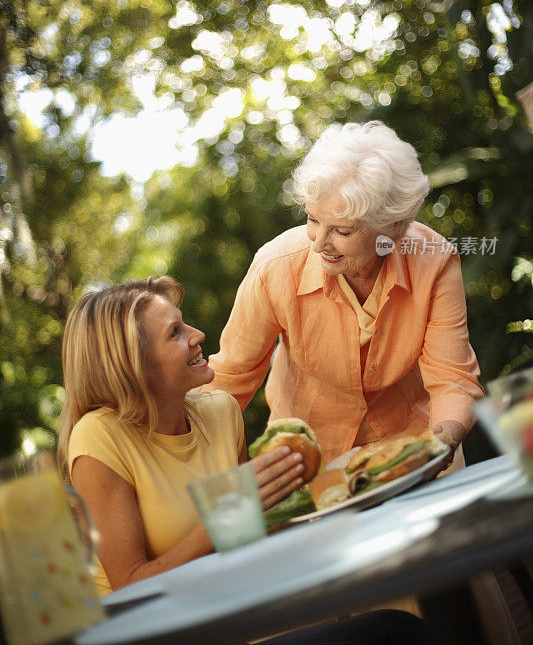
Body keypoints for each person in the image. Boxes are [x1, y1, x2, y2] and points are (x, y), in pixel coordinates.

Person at [57, 276, 429, 645]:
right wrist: (232, 512)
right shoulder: (98, 436)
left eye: (184, 322)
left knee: (399, 624)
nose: (198, 334)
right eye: (174, 333)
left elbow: (242, 540)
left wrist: (313, 499)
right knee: (393, 633)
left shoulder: (220, 411)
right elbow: (130, 587)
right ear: (133, 365)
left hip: (236, 624)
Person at [208, 121, 484, 470]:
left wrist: (438, 446)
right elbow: (230, 379)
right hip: (307, 458)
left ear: (394, 226)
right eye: (312, 219)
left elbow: (452, 379)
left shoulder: (433, 259)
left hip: (418, 444)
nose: (319, 243)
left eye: (343, 230)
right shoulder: (275, 268)